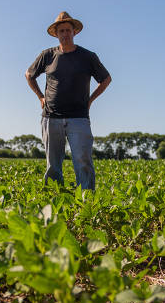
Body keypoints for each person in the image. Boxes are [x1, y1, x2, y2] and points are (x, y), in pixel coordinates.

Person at [25, 11, 111, 190]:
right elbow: (29, 75)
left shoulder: (87, 56)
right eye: (61, 31)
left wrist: (91, 100)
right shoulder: (47, 55)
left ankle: (87, 201)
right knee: (53, 165)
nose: (65, 34)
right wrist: (40, 97)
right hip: (51, 117)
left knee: (83, 161)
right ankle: (54, 201)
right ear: (56, 34)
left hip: (78, 118)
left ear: (74, 32)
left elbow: (106, 79)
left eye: (68, 30)